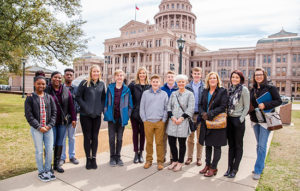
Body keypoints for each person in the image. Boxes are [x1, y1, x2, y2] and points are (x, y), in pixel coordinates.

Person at [249, 68, 282, 180]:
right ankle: (260, 166)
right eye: (256, 75)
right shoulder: (252, 89)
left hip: (266, 120)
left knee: (262, 146)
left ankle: (257, 170)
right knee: (259, 145)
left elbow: (279, 101)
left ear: (264, 75)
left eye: (260, 74)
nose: (258, 76)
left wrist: (265, 105)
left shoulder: (271, 88)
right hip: (255, 120)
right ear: (254, 77)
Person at [25, 75, 57, 182]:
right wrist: (39, 127)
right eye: (39, 83)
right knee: (39, 151)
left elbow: (54, 113)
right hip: (37, 129)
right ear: (34, 84)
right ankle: (41, 171)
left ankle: (48, 170)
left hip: (48, 129)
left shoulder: (49, 97)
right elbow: (29, 115)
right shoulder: (30, 98)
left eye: (43, 84)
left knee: (49, 150)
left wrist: (49, 126)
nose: (41, 86)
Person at [45, 71, 77, 173]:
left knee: (59, 143)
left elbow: (71, 105)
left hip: (62, 122)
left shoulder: (65, 90)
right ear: (51, 78)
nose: (58, 79)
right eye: (55, 77)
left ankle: (56, 164)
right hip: (51, 122)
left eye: (59, 78)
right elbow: (37, 97)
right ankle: (48, 165)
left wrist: (74, 118)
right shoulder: (47, 90)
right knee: (50, 144)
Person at [76, 65, 106, 170]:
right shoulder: (84, 83)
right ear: (91, 72)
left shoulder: (102, 84)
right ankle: (88, 159)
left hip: (97, 115)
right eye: (94, 71)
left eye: (98, 71)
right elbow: (78, 96)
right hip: (86, 115)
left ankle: (94, 158)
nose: (96, 73)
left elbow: (103, 98)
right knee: (87, 137)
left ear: (100, 72)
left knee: (95, 137)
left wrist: (100, 109)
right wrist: (86, 107)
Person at [198, 72, 228, 177]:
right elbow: (200, 105)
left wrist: (210, 114)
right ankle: (207, 165)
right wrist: (202, 113)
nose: (212, 80)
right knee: (208, 145)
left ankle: (214, 167)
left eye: (214, 78)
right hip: (206, 121)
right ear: (207, 80)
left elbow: (223, 106)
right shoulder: (205, 91)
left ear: (217, 80)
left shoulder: (222, 91)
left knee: (216, 146)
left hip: (217, 122)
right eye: (210, 78)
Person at [104, 69, 133, 167]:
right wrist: (106, 112)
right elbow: (106, 102)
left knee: (119, 139)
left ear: (123, 77)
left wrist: (127, 115)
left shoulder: (127, 89)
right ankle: (112, 157)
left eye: (121, 75)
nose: (119, 77)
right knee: (112, 138)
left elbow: (130, 105)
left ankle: (118, 156)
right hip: (111, 118)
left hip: (121, 118)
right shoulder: (110, 87)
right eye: (118, 75)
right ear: (115, 77)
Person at [224, 70, 250, 178]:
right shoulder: (230, 89)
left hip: (238, 120)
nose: (234, 79)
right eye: (233, 77)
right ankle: (229, 167)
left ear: (241, 79)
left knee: (238, 146)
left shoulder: (244, 90)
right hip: (229, 119)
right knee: (231, 146)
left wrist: (241, 118)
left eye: (237, 77)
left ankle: (235, 169)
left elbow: (247, 107)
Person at [140, 75, 169, 170]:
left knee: (159, 142)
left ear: (159, 83)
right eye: (154, 81)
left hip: (160, 122)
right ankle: (149, 160)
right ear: (151, 82)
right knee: (149, 142)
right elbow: (142, 107)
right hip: (148, 122)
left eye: (157, 81)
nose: (155, 83)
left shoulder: (164, 94)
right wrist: (144, 119)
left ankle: (160, 162)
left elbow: (166, 108)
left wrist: (164, 120)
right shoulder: (145, 93)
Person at [167, 74, 195, 172]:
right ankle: (174, 160)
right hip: (172, 122)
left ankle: (180, 162)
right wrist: (172, 117)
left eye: (183, 82)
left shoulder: (190, 94)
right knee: (171, 142)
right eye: (179, 82)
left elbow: (191, 108)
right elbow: (168, 106)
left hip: (183, 122)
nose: (181, 83)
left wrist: (182, 118)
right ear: (177, 83)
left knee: (182, 143)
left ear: (186, 82)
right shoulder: (173, 94)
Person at [129, 67, 151, 163]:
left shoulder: (149, 86)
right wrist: (131, 109)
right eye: (140, 73)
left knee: (142, 134)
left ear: (146, 75)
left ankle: (141, 153)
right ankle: (135, 153)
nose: (142, 75)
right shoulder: (133, 85)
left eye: (144, 73)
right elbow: (126, 96)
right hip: (134, 114)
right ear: (138, 74)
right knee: (135, 133)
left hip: (145, 115)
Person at [185, 67, 204, 166]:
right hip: (190, 115)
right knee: (190, 138)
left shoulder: (205, 87)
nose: (196, 75)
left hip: (200, 115)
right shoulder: (187, 86)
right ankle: (189, 157)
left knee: (200, 138)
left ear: (201, 75)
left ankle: (199, 158)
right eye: (195, 73)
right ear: (192, 74)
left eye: (198, 74)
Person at [60, 68, 80, 166]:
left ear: (73, 77)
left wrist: (76, 113)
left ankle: (72, 156)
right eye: (67, 74)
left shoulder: (76, 89)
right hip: (62, 118)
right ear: (64, 76)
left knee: (72, 137)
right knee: (63, 138)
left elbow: (79, 101)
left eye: (70, 75)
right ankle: (62, 158)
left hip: (73, 118)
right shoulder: (60, 88)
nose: (69, 76)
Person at [161, 70, 178, 163]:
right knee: (163, 137)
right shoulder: (162, 89)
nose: (170, 78)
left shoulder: (178, 88)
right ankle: (163, 156)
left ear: (174, 78)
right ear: (166, 78)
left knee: (173, 138)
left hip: (174, 117)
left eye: (172, 76)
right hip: (164, 116)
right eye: (168, 77)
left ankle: (172, 157)